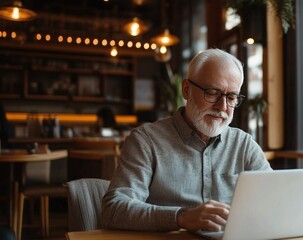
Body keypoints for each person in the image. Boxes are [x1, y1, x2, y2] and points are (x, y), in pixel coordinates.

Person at [101, 48, 272, 232]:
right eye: (212, 93)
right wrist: (181, 217)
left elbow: (275, 200)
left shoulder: (243, 145)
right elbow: (114, 210)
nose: (222, 106)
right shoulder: (146, 141)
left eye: (231, 97)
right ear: (186, 90)